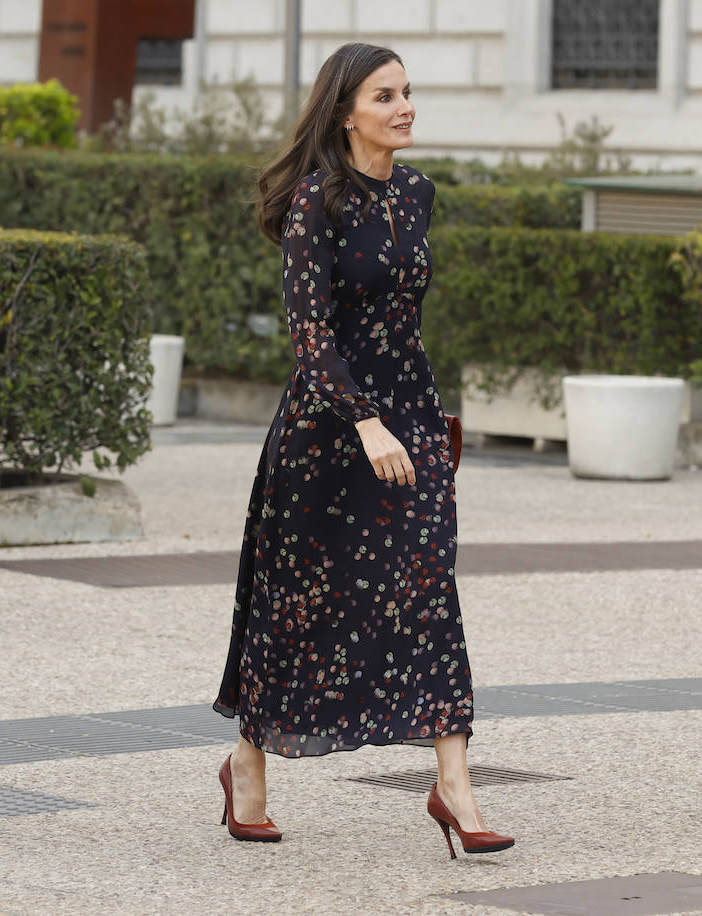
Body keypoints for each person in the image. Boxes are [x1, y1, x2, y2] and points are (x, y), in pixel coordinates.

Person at [211, 42, 513, 859]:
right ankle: (246, 761)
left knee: (427, 593)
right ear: (347, 111)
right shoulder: (316, 203)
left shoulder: (417, 193)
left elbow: (405, 326)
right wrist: (364, 421)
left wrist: (426, 420)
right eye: (386, 95)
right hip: (326, 434)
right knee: (303, 610)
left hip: (408, 417)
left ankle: (453, 787)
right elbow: (311, 337)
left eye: (408, 92)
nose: (405, 106)